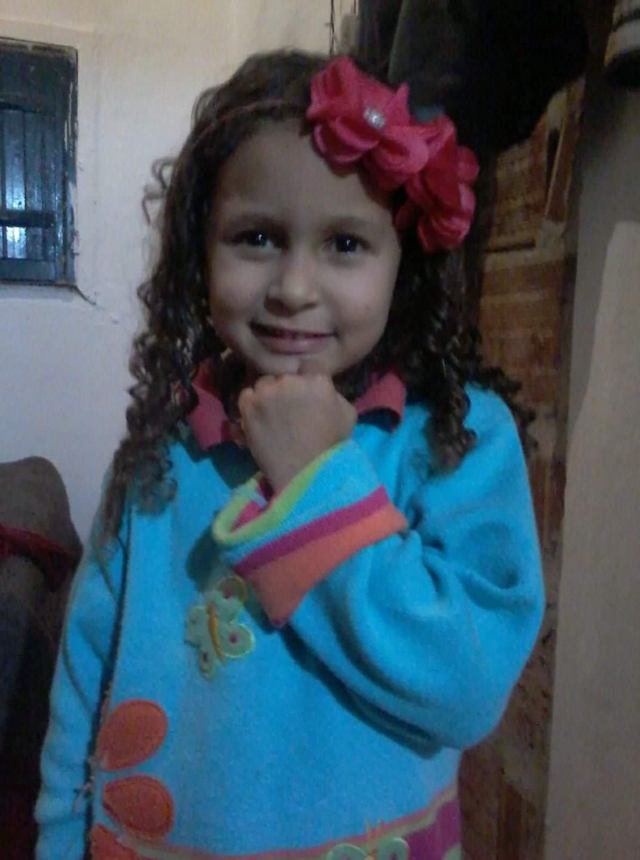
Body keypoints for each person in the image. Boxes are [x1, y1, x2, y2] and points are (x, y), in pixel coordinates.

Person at [36, 50, 544, 860]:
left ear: (403, 263)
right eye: (258, 238)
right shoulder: (162, 448)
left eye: (345, 243)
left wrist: (317, 481)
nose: (294, 288)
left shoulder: (458, 437)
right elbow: (83, 682)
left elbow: (468, 689)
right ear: (200, 252)